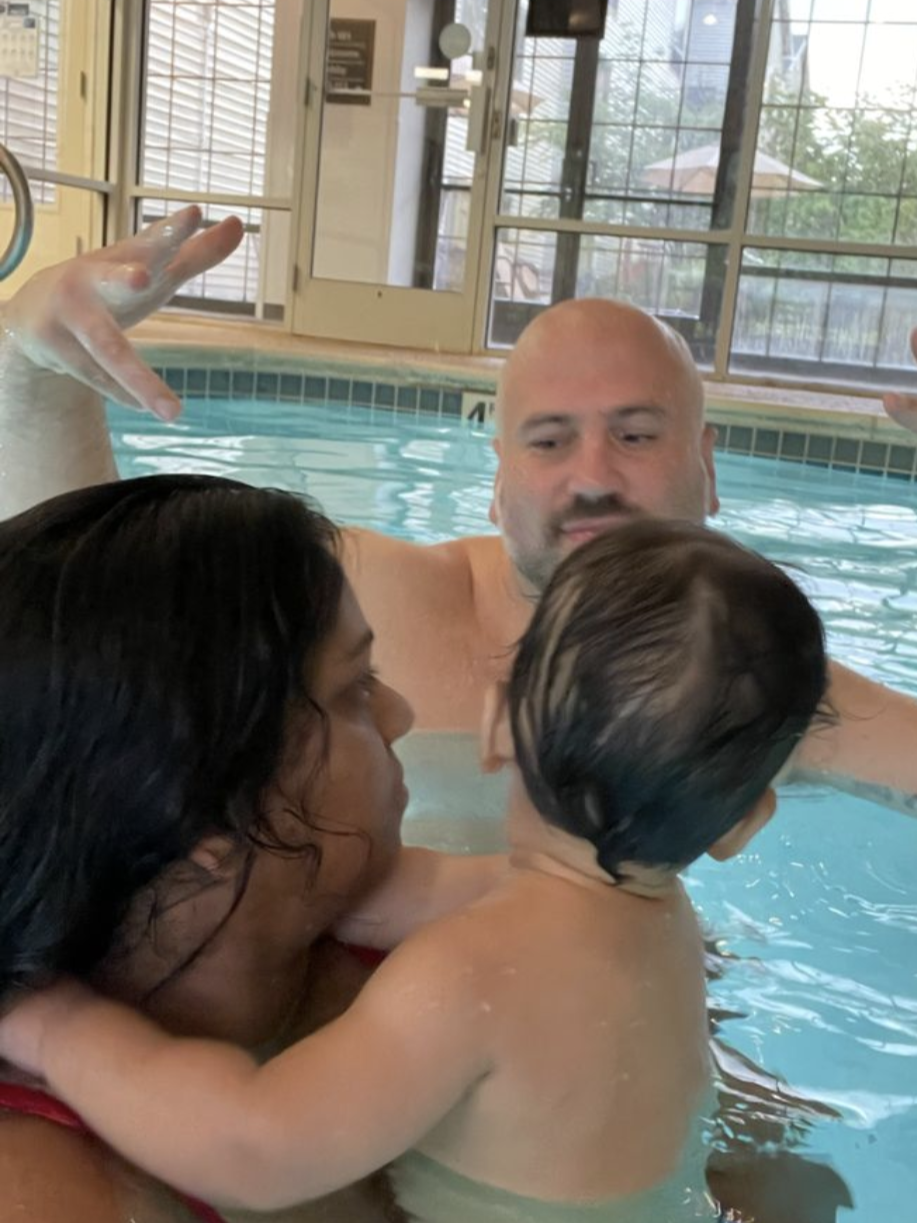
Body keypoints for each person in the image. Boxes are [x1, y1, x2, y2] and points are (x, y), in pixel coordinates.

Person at [2, 207, 917, 855]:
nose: (593, 478)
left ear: (708, 469)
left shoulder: (741, 680)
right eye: (551, 441)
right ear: (495, 486)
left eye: (637, 435)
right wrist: (30, 372)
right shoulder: (363, 605)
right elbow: (84, 639)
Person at [0, 517, 830, 1222]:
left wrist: (61, 1032)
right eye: (358, 689)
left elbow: (256, 1146)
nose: (399, 712)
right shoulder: (664, 926)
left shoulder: (467, 971)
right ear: (741, 825)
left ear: (498, 726)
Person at [0, 472, 429, 1223]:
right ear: (205, 819)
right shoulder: (50, 1190)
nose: (401, 715)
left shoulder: (421, 959)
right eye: (356, 689)